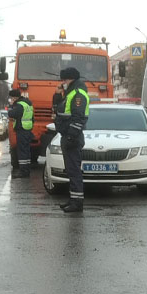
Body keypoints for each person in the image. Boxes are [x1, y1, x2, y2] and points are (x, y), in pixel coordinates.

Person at [55, 67, 89, 213]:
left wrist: (70, 136)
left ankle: (77, 203)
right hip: (68, 136)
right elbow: (60, 111)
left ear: (71, 79)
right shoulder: (70, 93)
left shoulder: (78, 94)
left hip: (72, 137)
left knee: (74, 171)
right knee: (71, 171)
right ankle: (73, 199)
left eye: (64, 80)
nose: (63, 83)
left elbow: (77, 118)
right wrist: (57, 96)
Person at [7, 87, 34, 178]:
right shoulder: (28, 103)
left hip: (22, 129)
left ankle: (23, 172)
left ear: (15, 98)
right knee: (26, 151)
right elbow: (32, 118)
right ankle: (27, 170)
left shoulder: (19, 105)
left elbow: (11, 114)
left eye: (12, 98)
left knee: (22, 151)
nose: (11, 100)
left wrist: (11, 106)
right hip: (28, 129)